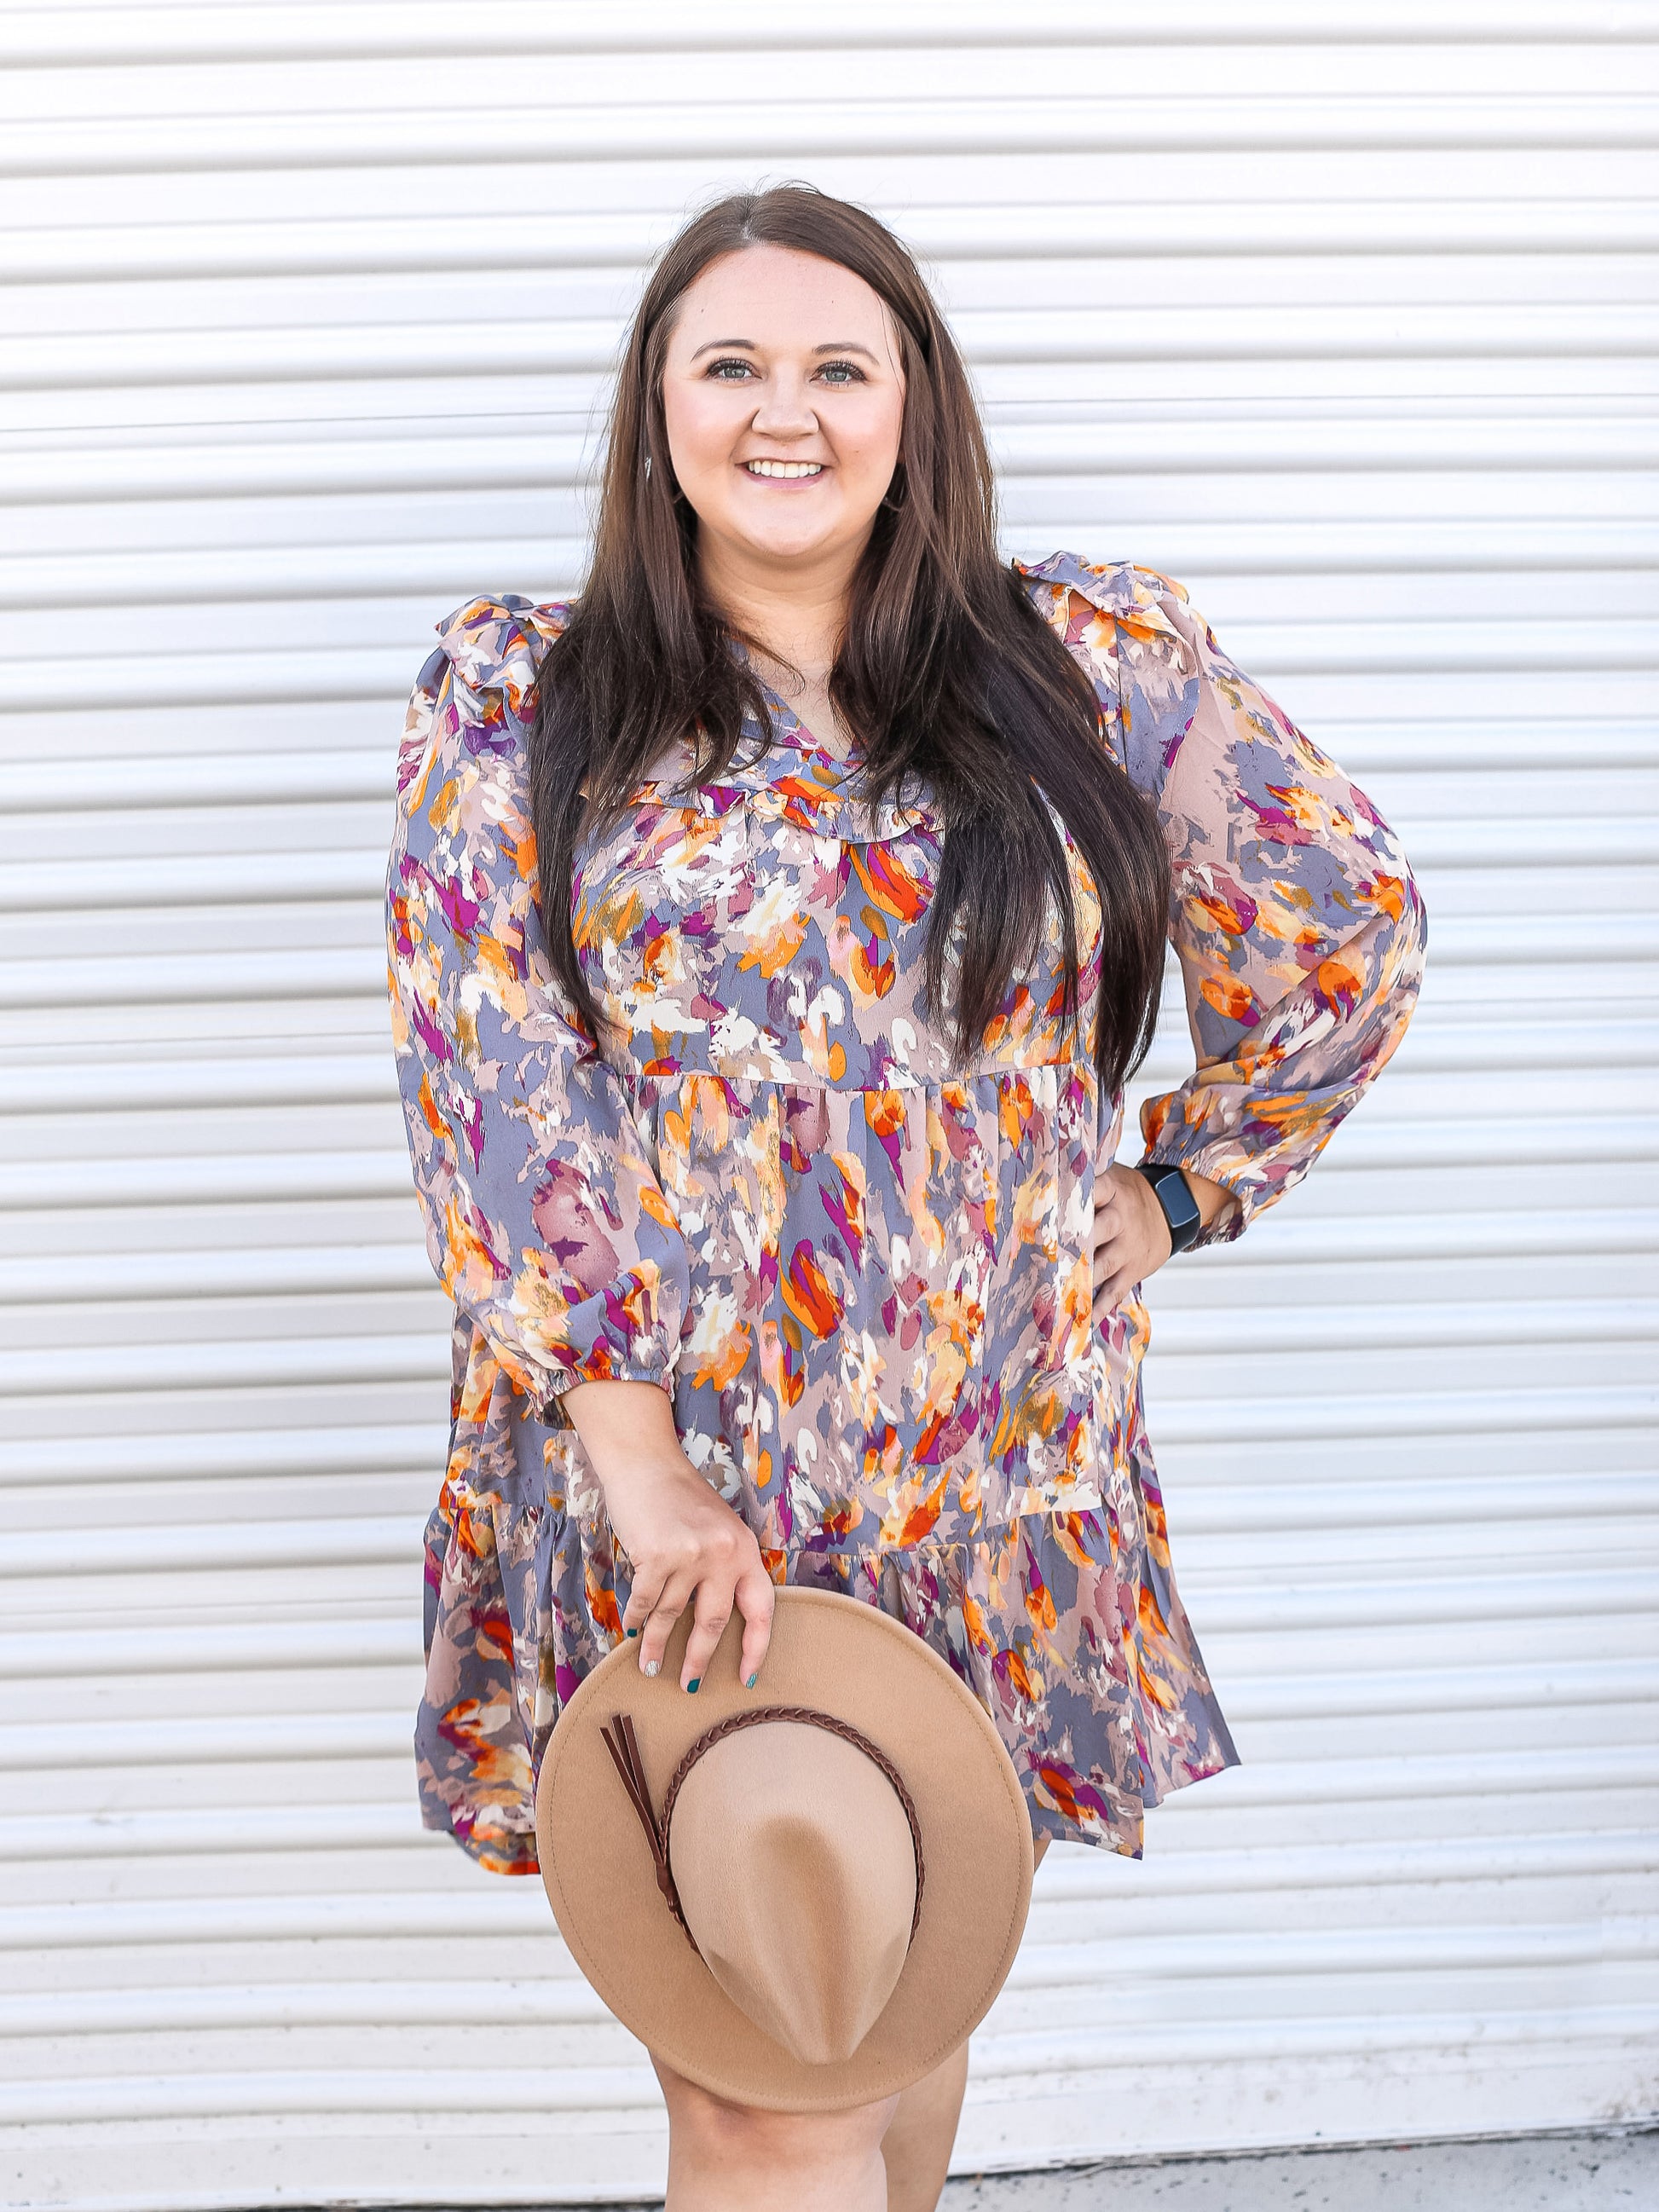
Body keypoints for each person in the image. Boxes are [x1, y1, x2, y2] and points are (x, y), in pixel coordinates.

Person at [386, 183, 1425, 2212]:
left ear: (912, 404)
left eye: (838, 364)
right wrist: (635, 1457)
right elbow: (491, 1087)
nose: (787, 410)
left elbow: (1344, 929)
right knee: (767, 2069)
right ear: (658, 411)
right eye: (732, 365)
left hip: (994, 1460)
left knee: (902, 1993)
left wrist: (1181, 1187)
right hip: (684, 1493)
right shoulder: (524, 705)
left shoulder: (1093, 669)